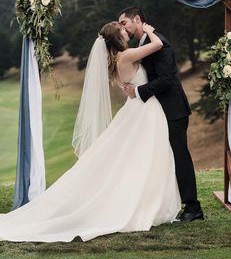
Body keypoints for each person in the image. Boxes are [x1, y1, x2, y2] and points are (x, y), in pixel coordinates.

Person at [0, 21, 181, 242]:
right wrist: (152, 32)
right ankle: (143, 203)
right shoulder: (127, 55)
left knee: (139, 158)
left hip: (138, 110)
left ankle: (145, 201)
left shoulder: (115, 60)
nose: (126, 31)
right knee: (147, 157)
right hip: (144, 112)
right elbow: (158, 45)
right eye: (122, 30)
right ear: (117, 37)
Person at [118, 7, 203, 222]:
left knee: (180, 156)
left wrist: (138, 91)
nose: (122, 27)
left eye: (124, 22)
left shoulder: (159, 43)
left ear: (137, 19)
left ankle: (193, 207)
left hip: (173, 109)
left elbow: (166, 79)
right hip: (157, 111)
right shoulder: (142, 43)